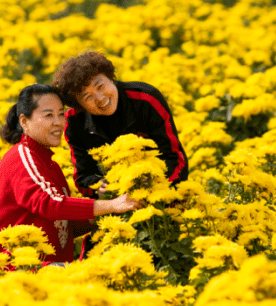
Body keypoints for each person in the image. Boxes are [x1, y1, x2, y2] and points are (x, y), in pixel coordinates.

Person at [0, 84, 140, 265]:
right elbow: (48, 204)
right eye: (48, 115)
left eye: (61, 114)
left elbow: (63, 227)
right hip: (10, 270)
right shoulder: (22, 156)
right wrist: (110, 205)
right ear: (24, 122)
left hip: (44, 269)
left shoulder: (51, 165)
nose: (58, 122)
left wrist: (105, 210)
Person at [53, 51, 189, 197]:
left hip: (162, 192)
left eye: (100, 86)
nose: (100, 98)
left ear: (111, 78)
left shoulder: (146, 99)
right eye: (88, 97)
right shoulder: (74, 122)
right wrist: (100, 188)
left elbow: (176, 159)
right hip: (115, 203)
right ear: (79, 105)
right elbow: (83, 177)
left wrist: (152, 182)